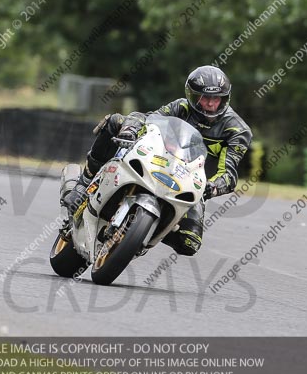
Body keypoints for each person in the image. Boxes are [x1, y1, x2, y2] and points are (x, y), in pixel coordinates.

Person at [62, 65, 253, 256]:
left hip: (192, 184)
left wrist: (212, 187)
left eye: (216, 98)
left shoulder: (238, 131)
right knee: (116, 121)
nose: (211, 104)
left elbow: (228, 174)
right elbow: (149, 119)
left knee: (189, 242)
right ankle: (83, 182)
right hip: (159, 161)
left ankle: (143, 234)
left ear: (225, 98)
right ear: (194, 96)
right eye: (205, 98)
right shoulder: (181, 107)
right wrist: (131, 128)